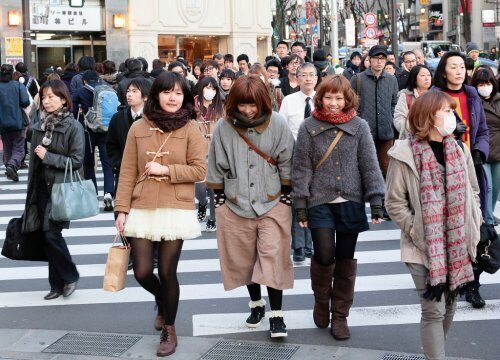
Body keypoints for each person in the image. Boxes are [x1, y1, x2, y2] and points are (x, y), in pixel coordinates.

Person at [385, 91, 483, 360]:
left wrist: (472, 222)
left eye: (452, 112)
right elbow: (394, 203)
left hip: (456, 243)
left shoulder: (459, 149)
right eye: (447, 112)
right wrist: (417, 229)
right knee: (433, 310)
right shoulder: (404, 154)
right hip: (420, 245)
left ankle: (435, 351)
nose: (453, 117)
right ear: (427, 116)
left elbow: (473, 191)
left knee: (449, 308)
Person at [114, 72, 206, 357]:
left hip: (175, 206)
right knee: (141, 272)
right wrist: (121, 209)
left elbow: (200, 171)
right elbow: (127, 170)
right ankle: (161, 298)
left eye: (178, 93)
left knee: (167, 272)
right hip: (142, 204)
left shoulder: (192, 128)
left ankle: (169, 328)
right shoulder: (138, 127)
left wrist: (167, 170)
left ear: (185, 97)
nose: (172, 98)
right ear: (156, 95)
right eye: (167, 92)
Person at [292, 75, 385, 340]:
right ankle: (322, 300)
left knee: (345, 259)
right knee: (324, 254)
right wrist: (300, 204)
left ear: (347, 100)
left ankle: (340, 315)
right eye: (328, 97)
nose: (333, 103)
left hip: (351, 201)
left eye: (339, 98)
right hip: (319, 200)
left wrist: (376, 199)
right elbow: (301, 167)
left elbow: (369, 164)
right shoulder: (308, 126)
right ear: (320, 98)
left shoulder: (360, 126)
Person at [206, 75, 295, 338]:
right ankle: (256, 305)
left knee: (272, 256)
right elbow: (216, 163)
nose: (247, 110)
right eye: (242, 105)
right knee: (244, 259)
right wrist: (219, 199)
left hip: (273, 200)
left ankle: (277, 316)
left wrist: (287, 194)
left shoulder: (277, 123)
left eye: (253, 105)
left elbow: (287, 159)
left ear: (263, 102)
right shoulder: (224, 127)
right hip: (235, 201)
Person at [24, 79, 84, 300]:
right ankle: (56, 285)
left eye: (51, 96)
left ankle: (70, 275)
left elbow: (77, 160)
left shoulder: (73, 126)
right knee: (46, 234)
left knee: (51, 234)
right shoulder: (40, 126)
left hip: (60, 188)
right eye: (44, 96)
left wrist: (48, 157)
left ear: (63, 99)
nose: (47, 101)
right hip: (40, 187)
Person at [433, 51, 490, 222]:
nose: (459, 71)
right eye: (453, 67)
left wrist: (480, 151)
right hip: (443, 165)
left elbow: (482, 131)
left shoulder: (472, 95)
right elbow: (423, 130)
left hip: (471, 162)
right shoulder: (433, 97)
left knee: (474, 214)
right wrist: (448, 129)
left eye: (462, 67)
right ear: (443, 72)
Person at [350, 45, 398, 219]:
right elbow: (350, 103)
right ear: (369, 60)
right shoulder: (358, 79)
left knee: (386, 169)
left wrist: (391, 119)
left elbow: (394, 103)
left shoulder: (391, 80)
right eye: (376, 58)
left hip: (386, 132)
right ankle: (360, 205)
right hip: (364, 133)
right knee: (364, 169)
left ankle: (385, 205)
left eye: (382, 59)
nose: (379, 61)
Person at [279, 62, 317, 262]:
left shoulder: (323, 100)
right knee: (297, 202)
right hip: (295, 157)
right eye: (304, 75)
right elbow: (283, 130)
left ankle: (311, 243)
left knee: (315, 201)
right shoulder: (288, 100)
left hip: (319, 157)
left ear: (316, 78)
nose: (308, 79)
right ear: (297, 77)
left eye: (311, 75)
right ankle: (299, 247)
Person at [72, 70, 116, 211]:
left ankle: (92, 196)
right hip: (106, 130)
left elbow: (74, 113)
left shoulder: (80, 92)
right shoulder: (108, 90)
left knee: (89, 163)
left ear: (84, 81)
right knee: (107, 164)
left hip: (88, 131)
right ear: (98, 79)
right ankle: (109, 193)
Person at [194, 76, 225, 232]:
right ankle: (202, 203)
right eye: (207, 87)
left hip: (215, 151)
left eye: (213, 88)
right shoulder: (191, 106)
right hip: (196, 151)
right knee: (198, 186)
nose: (210, 91)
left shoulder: (220, 106)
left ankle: (212, 218)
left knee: (213, 187)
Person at [471, 67, 500, 227]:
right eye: (481, 84)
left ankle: (488, 213)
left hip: (499, 149)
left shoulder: (499, 100)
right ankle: (487, 220)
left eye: (488, 83)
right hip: (482, 149)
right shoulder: (474, 101)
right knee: (486, 187)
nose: (485, 86)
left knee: (496, 188)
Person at [0, 64, 30, 182]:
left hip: (2, 122)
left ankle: (9, 167)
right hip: (17, 121)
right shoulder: (18, 86)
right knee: (18, 147)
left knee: (7, 145)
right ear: (12, 73)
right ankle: (12, 165)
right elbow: (25, 102)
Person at [394, 65, 432, 139]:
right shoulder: (406, 96)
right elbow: (398, 119)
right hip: (411, 139)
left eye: (429, 75)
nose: (427, 78)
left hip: (432, 138)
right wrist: (416, 128)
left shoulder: (436, 96)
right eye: (423, 75)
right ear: (414, 78)